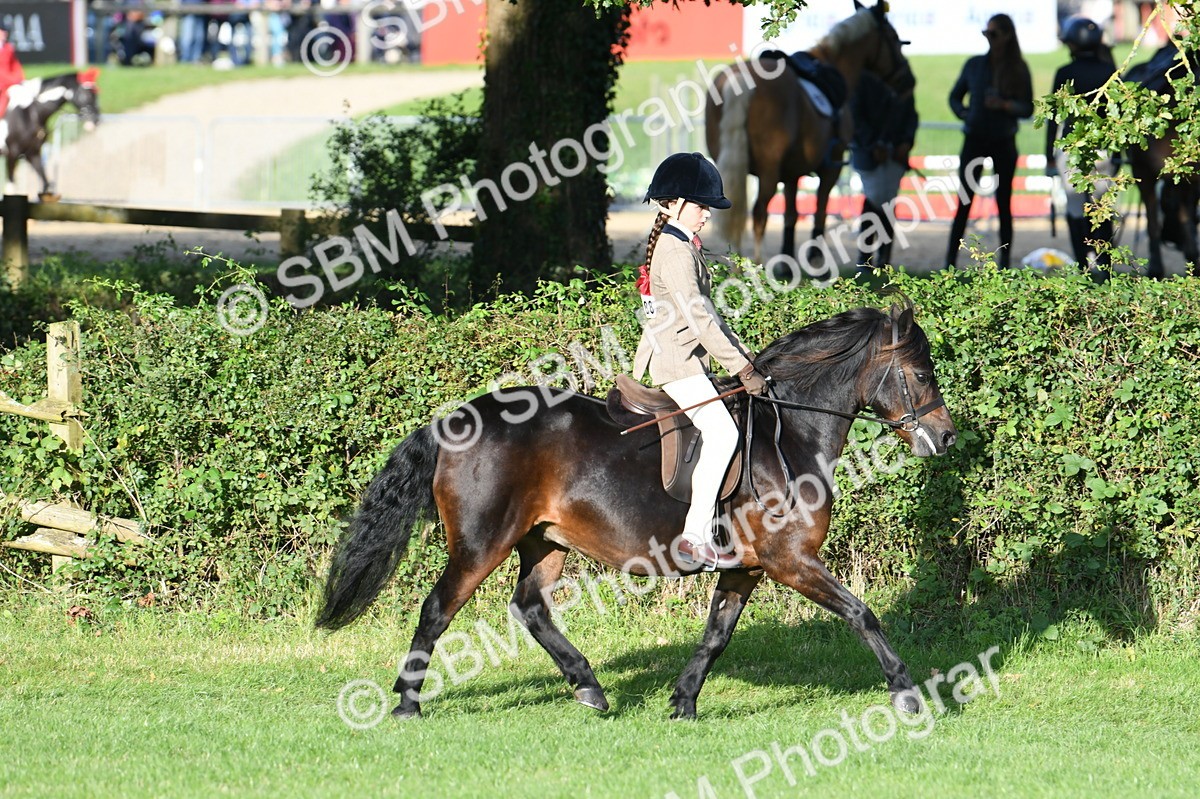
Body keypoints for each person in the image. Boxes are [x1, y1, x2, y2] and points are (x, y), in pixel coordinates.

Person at [632, 152, 769, 572]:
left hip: (686, 357)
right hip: (677, 364)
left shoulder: (680, 243)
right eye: (700, 206)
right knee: (724, 434)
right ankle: (695, 538)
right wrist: (741, 369)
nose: (707, 214)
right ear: (672, 204)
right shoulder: (675, 251)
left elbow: (711, 316)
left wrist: (745, 356)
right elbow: (700, 320)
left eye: (708, 207)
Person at [945, 13, 1034, 268]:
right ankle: (950, 261)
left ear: (1007, 36)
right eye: (986, 33)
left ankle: (1004, 262)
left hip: (1003, 140)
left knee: (1004, 202)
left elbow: (1027, 108)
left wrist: (1005, 105)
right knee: (964, 201)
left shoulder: (1018, 68)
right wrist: (966, 114)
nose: (989, 38)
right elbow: (954, 97)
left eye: (994, 34)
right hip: (975, 138)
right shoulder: (974, 65)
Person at [1045, 15, 1118, 279]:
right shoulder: (1110, 71)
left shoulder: (1065, 73)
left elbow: (1054, 117)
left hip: (1072, 149)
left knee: (1076, 209)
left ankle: (1081, 266)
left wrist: (1048, 155)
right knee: (1103, 208)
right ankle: (1106, 267)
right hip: (1103, 149)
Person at [850, 71, 918, 275]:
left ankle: (882, 258)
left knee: (887, 201)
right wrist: (873, 145)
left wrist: (905, 142)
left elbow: (911, 115)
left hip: (895, 153)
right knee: (874, 200)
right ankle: (866, 258)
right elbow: (856, 116)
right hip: (868, 153)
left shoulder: (901, 77)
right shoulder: (863, 81)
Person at [0, 22, 25, 118]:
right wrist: (12, 80)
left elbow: (16, 66)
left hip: (9, 85)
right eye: (2, 30)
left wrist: (20, 78)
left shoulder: (8, 48)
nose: (5, 33)